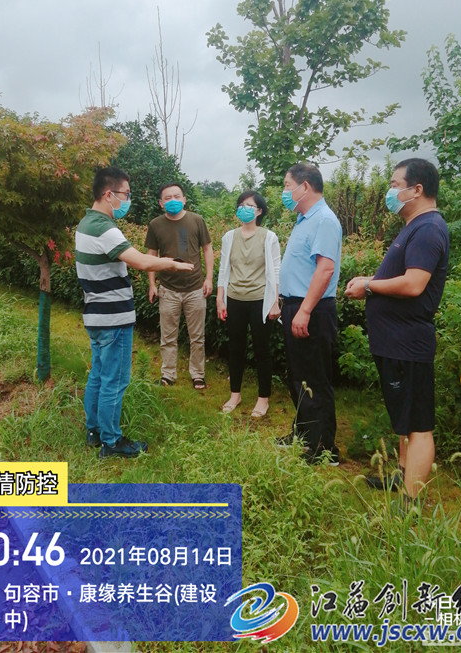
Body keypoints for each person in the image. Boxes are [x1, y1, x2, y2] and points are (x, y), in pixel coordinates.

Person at [345, 158, 449, 508]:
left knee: (418, 425)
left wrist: (369, 285)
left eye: (394, 184)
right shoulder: (413, 227)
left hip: (408, 344)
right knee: (405, 419)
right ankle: (402, 474)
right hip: (394, 342)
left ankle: (411, 501)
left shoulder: (429, 229)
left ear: (416, 189)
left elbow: (414, 284)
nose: (390, 191)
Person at [75, 167, 193, 459]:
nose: (128, 200)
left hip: (96, 315)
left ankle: (94, 431)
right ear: (109, 194)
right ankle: (111, 442)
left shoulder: (86, 223)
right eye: (125, 194)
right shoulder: (104, 227)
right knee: (114, 380)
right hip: (113, 317)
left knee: (99, 374)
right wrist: (173, 264)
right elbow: (140, 261)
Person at [278, 163, 342, 464]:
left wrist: (304, 310)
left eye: (287, 185)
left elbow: (325, 269)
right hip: (296, 306)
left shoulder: (324, 220)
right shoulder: (304, 219)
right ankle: (304, 433)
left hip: (312, 309)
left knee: (315, 378)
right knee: (298, 376)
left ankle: (324, 448)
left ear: (305, 186)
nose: (285, 192)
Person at [216, 191, 281, 418]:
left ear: (259, 211)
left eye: (250, 205)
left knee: (262, 349)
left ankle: (263, 398)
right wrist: (220, 298)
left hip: (260, 300)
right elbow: (223, 269)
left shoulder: (269, 237)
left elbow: (276, 270)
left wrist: (275, 302)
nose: (244, 208)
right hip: (235, 298)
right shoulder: (229, 237)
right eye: (241, 204)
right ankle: (235, 394)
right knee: (236, 348)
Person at [145, 182, 214, 389]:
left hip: (195, 288)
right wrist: (152, 284)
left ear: (184, 199)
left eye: (177, 196)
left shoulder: (196, 220)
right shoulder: (155, 225)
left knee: (197, 336)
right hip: (168, 289)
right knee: (168, 336)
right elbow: (151, 256)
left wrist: (209, 278)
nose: (173, 200)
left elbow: (207, 249)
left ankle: (198, 374)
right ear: (161, 203)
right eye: (168, 198)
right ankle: (168, 374)